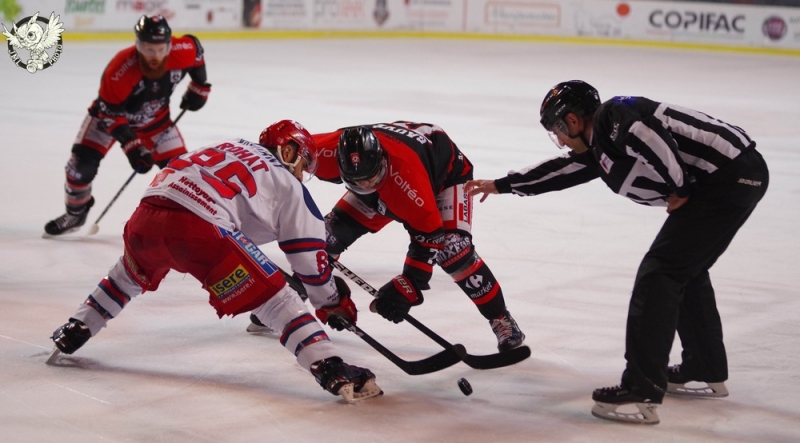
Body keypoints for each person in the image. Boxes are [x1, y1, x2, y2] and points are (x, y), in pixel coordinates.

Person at [465, 80, 769, 424]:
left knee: (660, 273)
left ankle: (641, 388)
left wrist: (679, 187)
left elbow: (648, 137)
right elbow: (562, 171)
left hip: (727, 176)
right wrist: (502, 185)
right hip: (735, 176)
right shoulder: (602, 146)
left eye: (558, 130)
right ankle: (704, 366)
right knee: (684, 270)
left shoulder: (613, 116)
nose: (561, 140)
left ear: (573, 120)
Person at [49, 121, 383, 403]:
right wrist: (331, 301)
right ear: (289, 150)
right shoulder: (287, 183)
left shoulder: (225, 145)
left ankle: (77, 327)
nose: (301, 174)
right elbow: (309, 259)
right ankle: (330, 367)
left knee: (126, 276)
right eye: (303, 164)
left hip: (144, 220)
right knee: (279, 301)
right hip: (200, 233)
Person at [306, 121, 526, 353]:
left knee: (453, 249)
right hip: (394, 177)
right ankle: (296, 299)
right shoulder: (323, 152)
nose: (366, 185)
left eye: (370, 179)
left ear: (382, 160)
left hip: (443, 177)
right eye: (357, 182)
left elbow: (429, 236)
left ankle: (501, 318)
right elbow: (285, 152)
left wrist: (408, 285)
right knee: (323, 240)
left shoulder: (408, 181)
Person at [44, 15, 212, 236]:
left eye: (161, 49)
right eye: (149, 49)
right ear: (138, 45)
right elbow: (110, 115)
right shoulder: (120, 69)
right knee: (78, 169)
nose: (155, 56)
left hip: (155, 122)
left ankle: (183, 223)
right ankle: (76, 212)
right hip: (108, 119)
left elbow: (196, 51)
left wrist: (200, 87)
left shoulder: (182, 50)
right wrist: (133, 147)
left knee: (182, 175)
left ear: (169, 45)